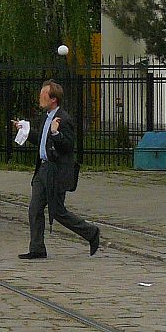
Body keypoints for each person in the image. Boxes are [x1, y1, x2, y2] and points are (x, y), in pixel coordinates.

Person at [14, 80, 100, 260]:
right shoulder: (47, 117)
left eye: (42, 94)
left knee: (58, 212)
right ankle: (37, 247)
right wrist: (26, 131)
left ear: (53, 99)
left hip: (56, 172)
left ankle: (91, 232)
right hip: (43, 169)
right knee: (34, 209)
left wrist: (56, 133)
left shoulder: (63, 119)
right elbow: (42, 141)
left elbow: (68, 146)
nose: (39, 97)